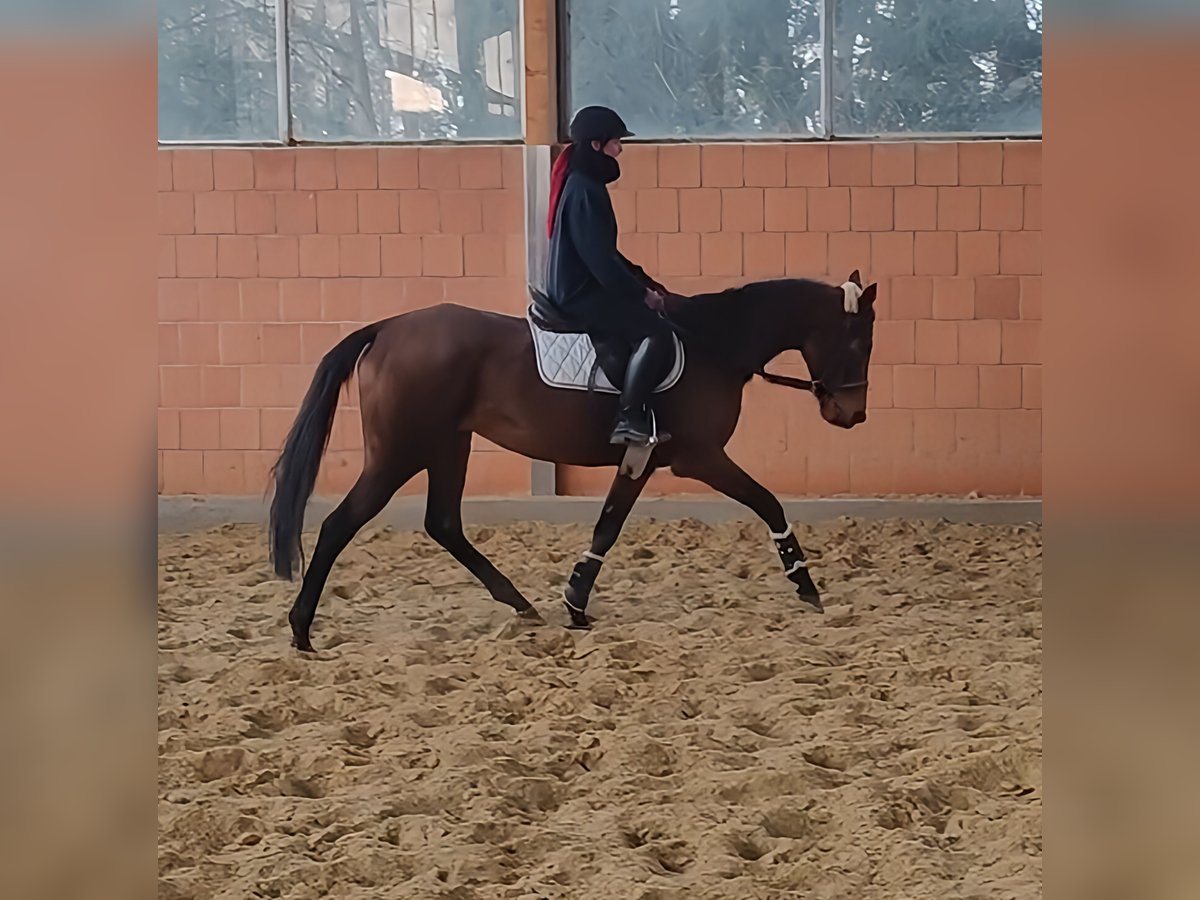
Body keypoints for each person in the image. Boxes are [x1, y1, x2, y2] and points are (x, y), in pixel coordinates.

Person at [545, 105, 675, 447]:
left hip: (581, 286)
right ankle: (629, 417)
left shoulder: (583, 185)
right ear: (596, 145)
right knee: (656, 332)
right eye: (616, 142)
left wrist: (640, 279)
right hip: (578, 293)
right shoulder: (585, 189)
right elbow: (600, 262)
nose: (620, 149)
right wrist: (640, 296)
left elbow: (606, 253)